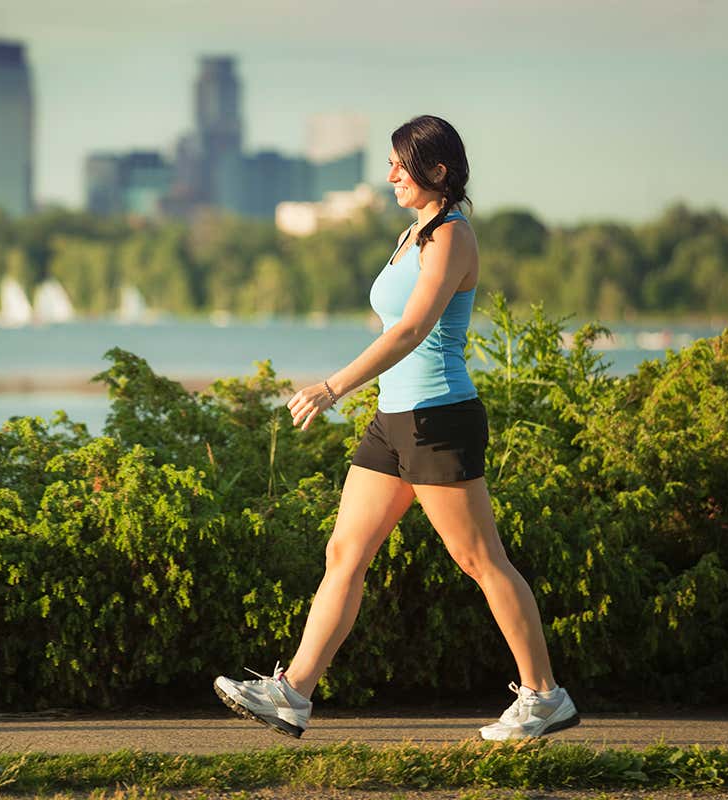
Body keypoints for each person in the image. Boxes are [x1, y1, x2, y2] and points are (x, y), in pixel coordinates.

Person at [212, 115, 580, 742]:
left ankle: (545, 696)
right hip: (393, 421)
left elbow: (409, 331)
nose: (389, 176)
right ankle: (293, 693)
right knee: (344, 554)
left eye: (400, 166)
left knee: (480, 559)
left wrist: (332, 387)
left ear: (437, 171)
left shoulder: (451, 237)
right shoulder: (412, 235)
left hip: (439, 418)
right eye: (388, 164)